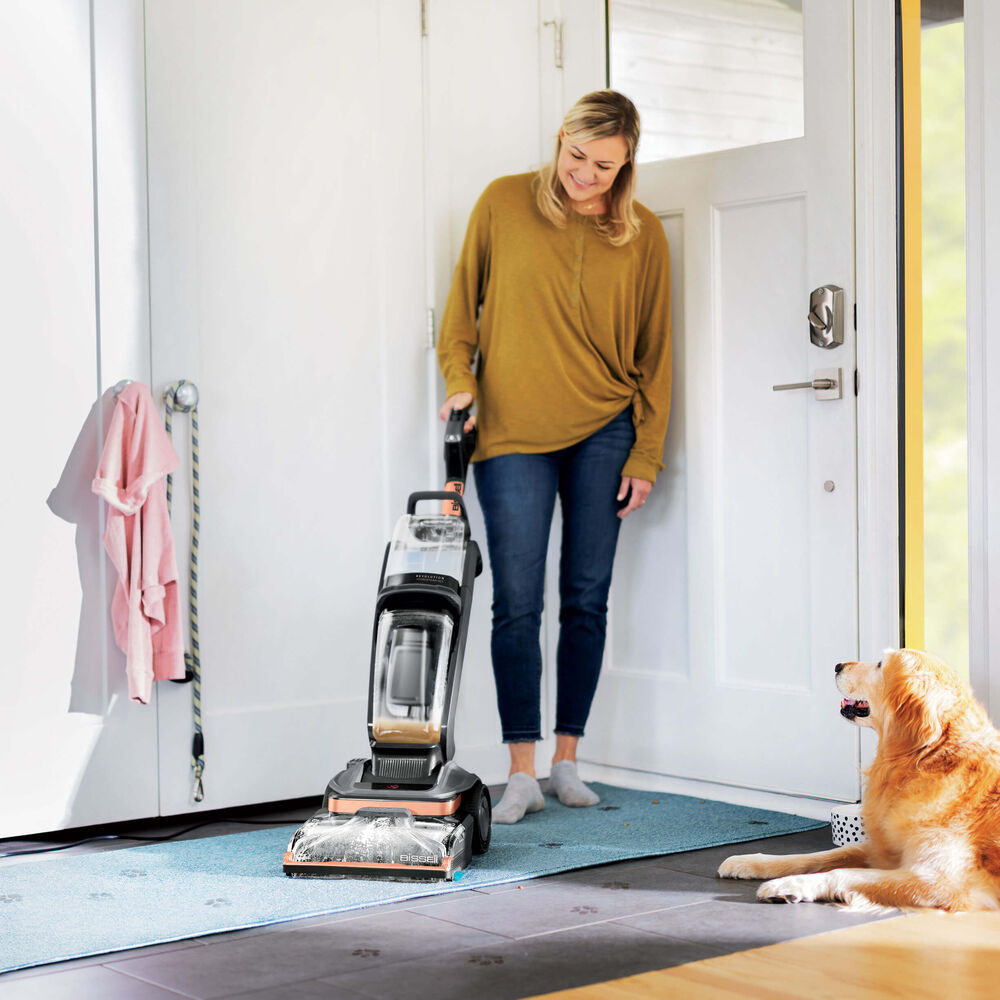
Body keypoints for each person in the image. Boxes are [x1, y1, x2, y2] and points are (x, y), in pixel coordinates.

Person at [436, 90, 671, 823]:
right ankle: (522, 770)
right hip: (510, 434)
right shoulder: (504, 203)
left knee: (586, 599)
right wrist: (459, 383)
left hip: (607, 429)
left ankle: (569, 759)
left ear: (626, 164)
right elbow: (457, 319)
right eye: (577, 156)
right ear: (560, 138)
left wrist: (648, 453)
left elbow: (656, 357)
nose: (586, 174)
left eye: (604, 165)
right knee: (517, 603)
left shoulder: (644, 236)